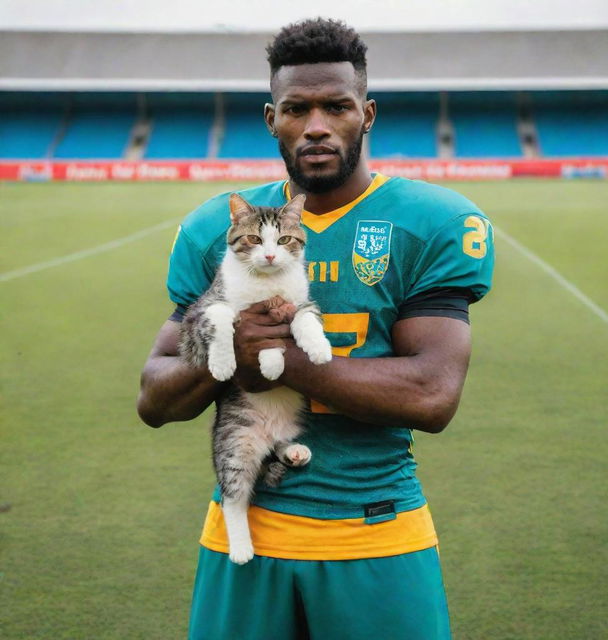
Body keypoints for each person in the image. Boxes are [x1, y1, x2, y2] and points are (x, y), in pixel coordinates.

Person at [137, 17, 494, 640]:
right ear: (272, 119)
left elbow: (432, 396)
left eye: (338, 106)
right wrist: (222, 352)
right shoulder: (212, 232)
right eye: (297, 109)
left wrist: (283, 359)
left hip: (376, 528)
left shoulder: (432, 220)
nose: (318, 126)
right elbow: (154, 395)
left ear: (368, 114)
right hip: (242, 530)